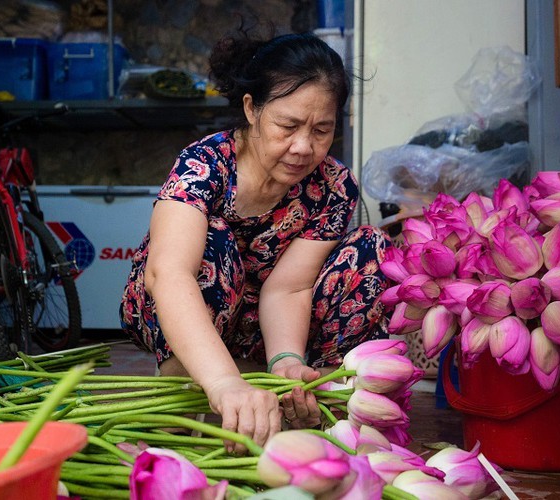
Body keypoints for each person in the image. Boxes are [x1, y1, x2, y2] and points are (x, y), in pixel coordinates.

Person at [120, 28, 392, 453]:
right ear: (252, 108)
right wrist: (225, 384)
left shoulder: (334, 187)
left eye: (322, 130)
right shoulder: (205, 165)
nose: (304, 147)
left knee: (370, 251)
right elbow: (168, 274)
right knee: (213, 240)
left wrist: (287, 360)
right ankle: (187, 384)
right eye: (288, 125)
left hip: (266, 324)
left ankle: (302, 401)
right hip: (182, 305)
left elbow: (289, 288)